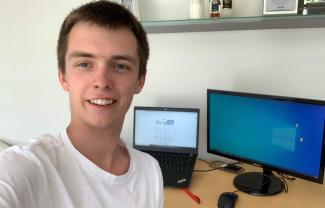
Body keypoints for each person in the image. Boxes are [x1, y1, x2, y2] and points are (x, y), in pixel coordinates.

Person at [0, 1, 163, 207]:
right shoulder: (32, 167)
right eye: (84, 64)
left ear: (140, 81)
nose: (102, 82)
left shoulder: (150, 171)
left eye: (120, 66)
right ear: (63, 76)